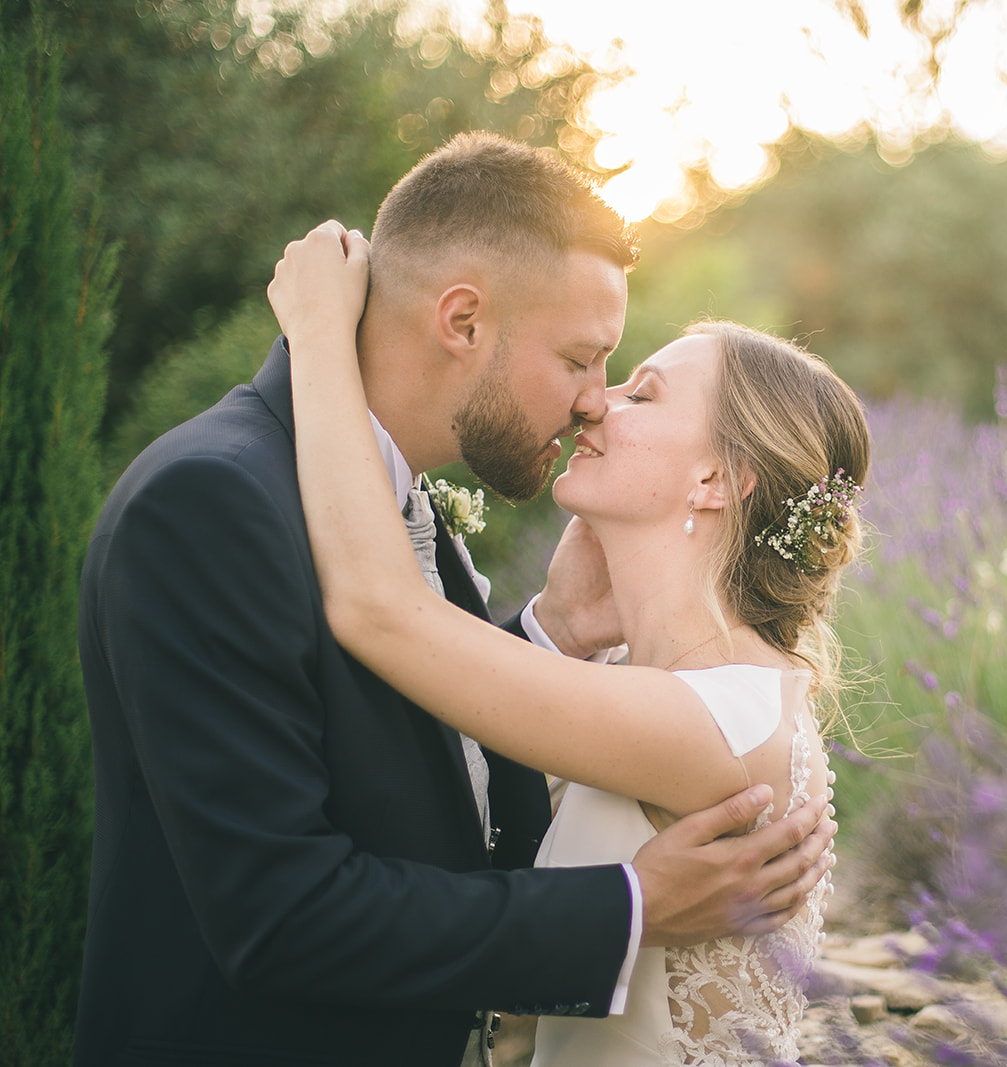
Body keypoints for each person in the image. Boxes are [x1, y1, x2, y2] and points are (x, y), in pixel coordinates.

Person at [74, 132, 832, 1067]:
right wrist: (629, 907)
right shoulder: (213, 503)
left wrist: (542, 637)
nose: (595, 403)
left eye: (629, 382)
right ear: (463, 322)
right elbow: (278, 914)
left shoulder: (404, 514)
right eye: (584, 359)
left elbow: (421, 749)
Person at [267, 216, 870, 1064]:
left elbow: (380, 611)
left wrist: (319, 336)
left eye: (644, 392)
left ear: (716, 480)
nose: (597, 399)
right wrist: (563, 624)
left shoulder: (721, 721)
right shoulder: (649, 682)